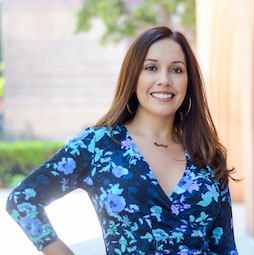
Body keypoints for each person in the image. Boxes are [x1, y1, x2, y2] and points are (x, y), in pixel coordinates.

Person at [6, 26, 238, 255]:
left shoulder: (207, 154)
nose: (164, 80)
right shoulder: (98, 146)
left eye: (176, 70)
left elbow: (226, 248)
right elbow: (22, 201)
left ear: (189, 81)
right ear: (133, 75)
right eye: (151, 68)